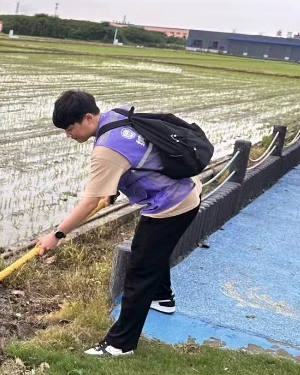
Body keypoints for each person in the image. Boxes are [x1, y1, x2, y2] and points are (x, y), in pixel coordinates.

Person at [41, 90, 201, 357]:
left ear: (88, 118)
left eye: (70, 128)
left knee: (139, 271)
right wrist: (113, 189)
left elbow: (89, 203)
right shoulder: (117, 116)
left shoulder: (106, 149)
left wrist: (56, 235)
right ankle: (162, 298)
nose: (68, 135)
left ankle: (121, 344)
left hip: (171, 204)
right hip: (185, 190)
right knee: (151, 253)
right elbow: (137, 157)